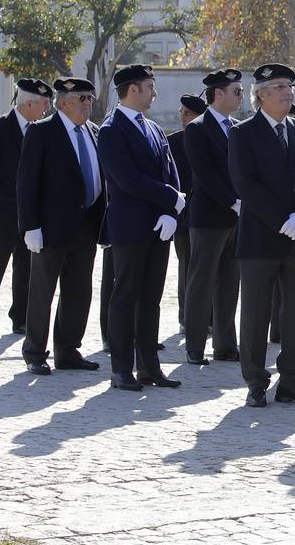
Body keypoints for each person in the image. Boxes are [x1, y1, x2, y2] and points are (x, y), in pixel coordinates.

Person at [228, 64, 295, 408]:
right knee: (256, 313)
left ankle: (293, 381)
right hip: (261, 239)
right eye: (281, 87)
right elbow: (246, 184)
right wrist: (284, 221)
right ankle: (256, 381)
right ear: (262, 95)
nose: (289, 92)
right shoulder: (243, 134)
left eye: (290, 86)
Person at [98, 65, 186, 391]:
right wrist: (170, 198)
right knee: (126, 297)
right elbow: (127, 180)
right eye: (150, 86)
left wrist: (172, 211)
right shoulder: (111, 130)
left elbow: (170, 171)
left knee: (151, 299)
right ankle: (121, 369)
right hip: (131, 227)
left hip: (158, 228)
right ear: (133, 89)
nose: (154, 93)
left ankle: (149, 367)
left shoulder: (153, 128)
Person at [18, 77, 105, 376]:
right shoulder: (42, 132)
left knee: (79, 291)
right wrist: (30, 226)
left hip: (87, 225)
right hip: (50, 228)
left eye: (91, 99)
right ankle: (34, 352)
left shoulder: (94, 132)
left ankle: (68, 350)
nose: (88, 104)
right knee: (43, 290)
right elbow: (27, 183)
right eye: (83, 98)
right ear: (64, 101)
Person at [0, 77, 52, 339]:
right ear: (28, 103)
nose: (47, 109)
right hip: (2, 212)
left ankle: (21, 319)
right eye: (44, 104)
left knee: (26, 268)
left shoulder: (42, 130)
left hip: (31, 214)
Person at [183, 68, 244, 365]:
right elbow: (204, 174)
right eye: (236, 91)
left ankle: (225, 343)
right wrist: (233, 201)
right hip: (209, 216)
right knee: (201, 281)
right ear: (218, 94)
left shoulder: (238, 127)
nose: (241, 96)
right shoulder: (197, 128)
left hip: (236, 217)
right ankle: (195, 344)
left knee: (229, 282)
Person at [168, 94, 206, 331]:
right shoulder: (172, 142)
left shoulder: (208, 138)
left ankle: (208, 317)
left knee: (207, 268)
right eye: (181, 112)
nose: (183, 118)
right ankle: (185, 315)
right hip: (183, 215)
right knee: (186, 267)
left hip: (207, 215)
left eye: (188, 114)